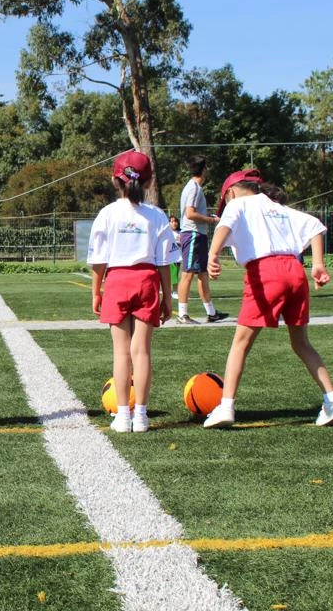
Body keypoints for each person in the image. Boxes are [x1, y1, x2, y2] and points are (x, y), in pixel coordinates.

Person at [202, 169, 333, 429]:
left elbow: (224, 226)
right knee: (302, 343)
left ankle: (226, 407)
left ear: (231, 192)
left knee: (240, 344)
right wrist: (318, 264)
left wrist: (212, 255)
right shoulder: (279, 208)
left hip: (265, 273)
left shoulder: (237, 204)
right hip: (295, 272)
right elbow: (315, 226)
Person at [88, 150, 180, 433]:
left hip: (117, 280)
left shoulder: (107, 214)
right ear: (150, 181)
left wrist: (96, 292)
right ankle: (141, 415)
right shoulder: (156, 215)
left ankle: (123, 415)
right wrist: (167, 297)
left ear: (116, 180)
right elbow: (164, 262)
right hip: (147, 280)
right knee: (142, 352)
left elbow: (98, 260)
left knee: (121, 353)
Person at [177, 155, 228, 324]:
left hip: (198, 235)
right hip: (192, 234)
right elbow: (190, 214)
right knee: (187, 274)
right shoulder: (194, 188)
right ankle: (182, 314)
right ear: (203, 169)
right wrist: (211, 220)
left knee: (203, 274)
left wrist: (207, 217)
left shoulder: (195, 188)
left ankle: (211, 313)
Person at [168, 215, 181, 299]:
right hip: (171, 257)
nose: (174, 223)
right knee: (173, 274)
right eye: (172, 221)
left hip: (179, 257)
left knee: (175, 274)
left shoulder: (181, 232)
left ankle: (172, 291)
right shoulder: (167, 233)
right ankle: (174, 291)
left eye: (175, 221)